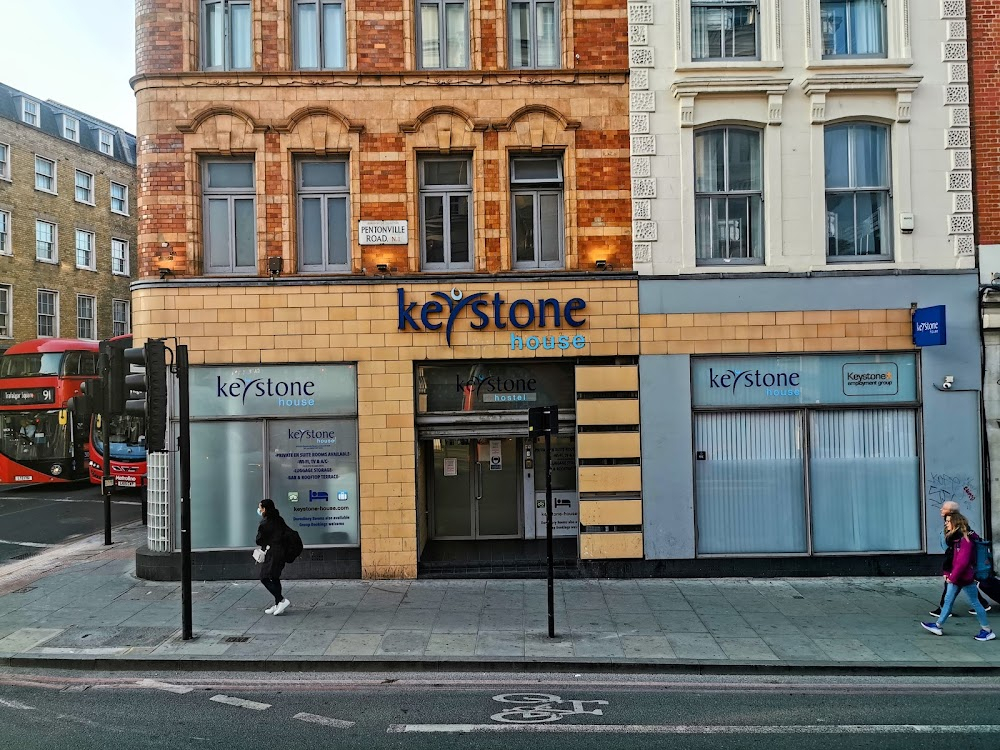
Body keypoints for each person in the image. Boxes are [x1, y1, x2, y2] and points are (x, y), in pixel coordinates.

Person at [921, 512, 995, 641]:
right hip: (959, 577)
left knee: (976, 603)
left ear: (955, 523)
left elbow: (962, 562)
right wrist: (948, 574)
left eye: (948, 521)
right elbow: (952, 559)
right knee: (949, 601)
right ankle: (938, 625)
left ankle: (987, 630)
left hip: (963, 577)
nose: (946, 523)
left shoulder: (965, 540)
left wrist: (952, 577)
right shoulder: (956, 539)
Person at [930, 501, 991, 618]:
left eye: (943, 508)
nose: (941, 510)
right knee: (964, 588)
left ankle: (942, 614)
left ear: (950, 512)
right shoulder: (958, 526)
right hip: (960, 569)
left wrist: (950, 573)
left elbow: (955, 554)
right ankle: (982, 607)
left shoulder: (956, 531)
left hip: (959, 567)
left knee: (953, 586)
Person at [255, 498, 291, 616]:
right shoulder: (279, 519)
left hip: (273, 553)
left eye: (260, 508)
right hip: (281, 552)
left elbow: (259, 540)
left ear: (264, 509)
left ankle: (281, 600)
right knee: (274, 577)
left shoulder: (264, 524)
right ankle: (277, 604)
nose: (259, 510)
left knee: (264, 577)